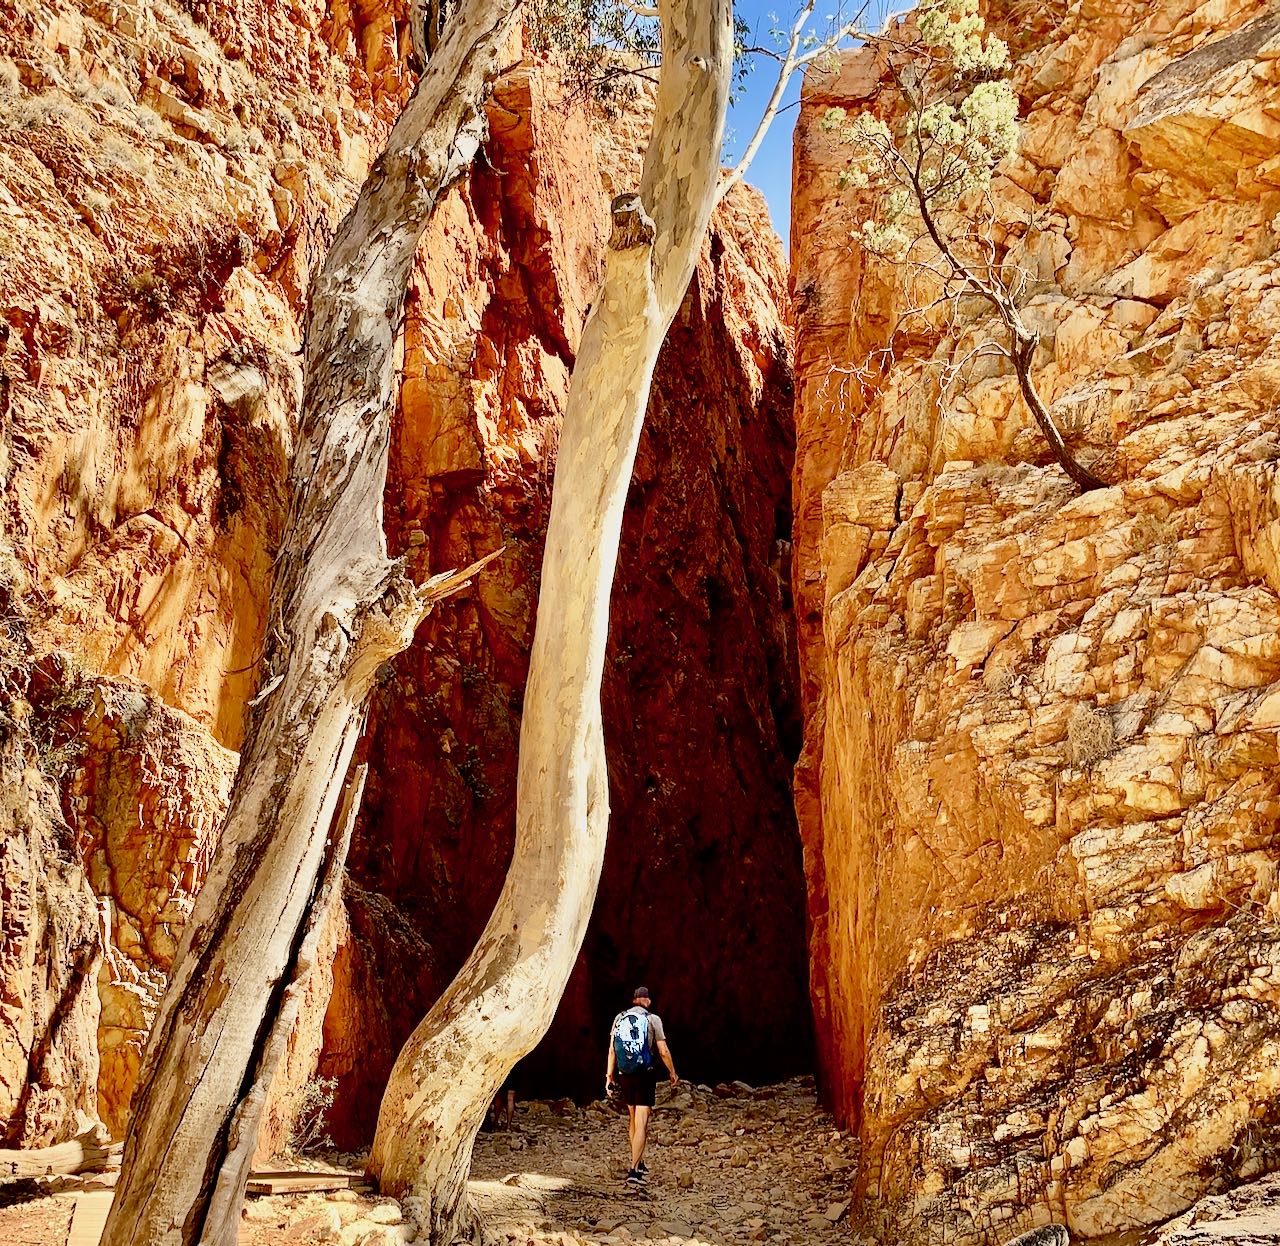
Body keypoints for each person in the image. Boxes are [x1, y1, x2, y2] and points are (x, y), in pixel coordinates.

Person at [605, 985, 677, 1186]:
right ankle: (634, 1171)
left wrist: (609, 1076)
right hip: (644, 1075)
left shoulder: (619, 1018)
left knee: (633, 1118)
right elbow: (662, 1050)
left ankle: (640, 1160)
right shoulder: (653, 1019)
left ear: (634, 1000)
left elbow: (612, 1050)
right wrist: (672, 1072)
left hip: (625, 1073)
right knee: (642, 1122)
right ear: (647, 1001)